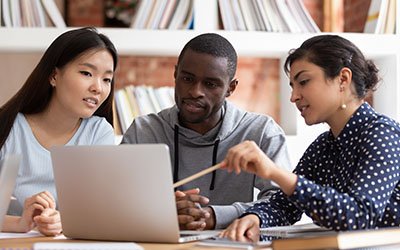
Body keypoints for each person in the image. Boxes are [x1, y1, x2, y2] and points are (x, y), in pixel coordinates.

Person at [219, 34, 400, 242]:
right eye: (292, 86)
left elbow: (358, 217)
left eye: (303, 82)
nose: (293, 96)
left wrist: (274, 172)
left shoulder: (382, 133)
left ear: (343, 79)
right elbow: (286, 206)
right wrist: (255, 218)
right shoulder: (323, 146)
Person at [121, 33, 292, 230]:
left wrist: (214, 216)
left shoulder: (261, 132)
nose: (195, 91)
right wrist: (161, 212)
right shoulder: (143, 131)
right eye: (187, 78)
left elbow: (283, 205)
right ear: (175, 74)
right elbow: (115, 202)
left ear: (230, 88)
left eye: (210, 84)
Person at [0, 27, 118, 235]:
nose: (98, 88)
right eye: (86, 73)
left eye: (106, 79)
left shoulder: (99, 133)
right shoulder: (8, 127)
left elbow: (104, 210)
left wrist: (66, 221)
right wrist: (20, 223)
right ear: (54, 75)